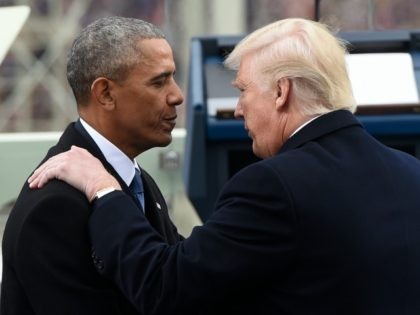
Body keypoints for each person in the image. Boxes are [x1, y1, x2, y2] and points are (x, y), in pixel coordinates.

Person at [28, 18, 420, 315]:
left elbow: (166, 287)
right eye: (159, 81)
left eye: (244, 90)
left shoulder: (274, 186)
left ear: (281, 92)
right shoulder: (410, 173)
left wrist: (103, 188)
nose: (238, 109)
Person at [1, 16, 184, 315]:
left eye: (173, 78)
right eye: (159, 81)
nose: (177, 95)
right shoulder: (54, 207)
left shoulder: (137, 182)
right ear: (105, 94)